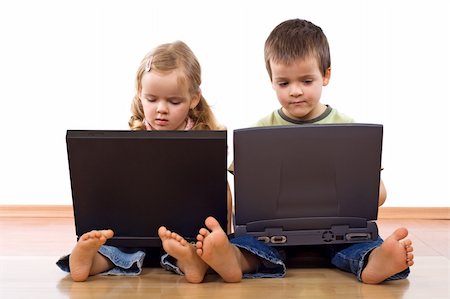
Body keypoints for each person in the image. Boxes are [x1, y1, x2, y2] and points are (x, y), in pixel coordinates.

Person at [161, 19, 414, 284]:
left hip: (338, 231)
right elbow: (247, 194)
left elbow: (380, 194)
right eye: (284, 83)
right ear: (271, 81)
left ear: (326, 75)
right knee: (251, 244)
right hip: (273, 233)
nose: (295, 91)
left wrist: (361, 188)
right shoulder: (259, 131)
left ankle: (375, 262)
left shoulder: (348, 127)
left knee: (360, 243)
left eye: (306, 80)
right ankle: (232, 259)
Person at [56, 40, 228, 282]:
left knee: (197, 250)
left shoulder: (205, 138)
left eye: (174, 101)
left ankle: (191, 262)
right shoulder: (134, 140)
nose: (161, 109)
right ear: (139, 93)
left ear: (193, 99)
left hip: (184, 234)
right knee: (118, 249)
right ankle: (88, 259)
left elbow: (220, 196)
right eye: (152, 99)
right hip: (137, 234)